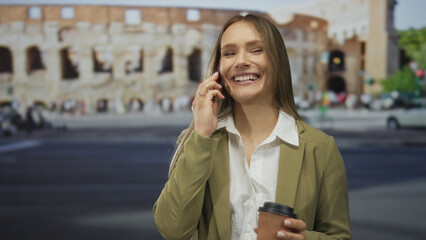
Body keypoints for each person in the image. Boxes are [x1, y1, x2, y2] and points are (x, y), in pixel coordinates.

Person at [153, 13, 350, 240]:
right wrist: (201, 134)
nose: (240, 61)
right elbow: (172, 230)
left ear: (278, 61)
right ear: (218, 69)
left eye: (256, 50)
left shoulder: (321, 149)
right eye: (229, 53)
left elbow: (339, 236)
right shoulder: (199, 141)